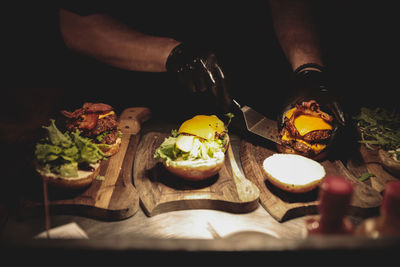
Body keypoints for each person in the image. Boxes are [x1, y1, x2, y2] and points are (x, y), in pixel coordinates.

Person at [58, 1, 340, 123]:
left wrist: (308, 71)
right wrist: (172, 54)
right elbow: (75, 24)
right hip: (137, 102)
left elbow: (287, 3)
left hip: (247, 99)